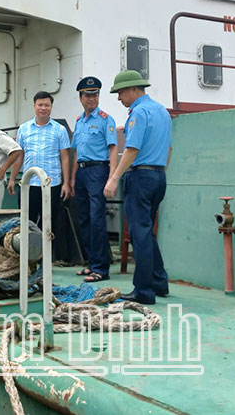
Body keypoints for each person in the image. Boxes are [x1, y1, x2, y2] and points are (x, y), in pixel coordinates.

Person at [103, 70, 171, 305]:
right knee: (147, 232)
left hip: (141, 177)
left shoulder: (138, 113)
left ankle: (143, 290)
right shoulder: (162, 111)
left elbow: (131, 149)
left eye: (121, 92)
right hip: (159, 176)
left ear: (133, 89)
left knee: (139, 235)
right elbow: (169, 148)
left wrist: (113, 179)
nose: (119, 98)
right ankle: (159, 282)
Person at [9, 91, 77, 263]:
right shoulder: (24, 129)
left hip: (52, 185)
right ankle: (28, 258)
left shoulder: (59, 130)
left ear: (51, 107)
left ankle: (49, 259)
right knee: (27, 222)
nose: (43, 108)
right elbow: (19, 156)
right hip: (29, 185)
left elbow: (65, 157)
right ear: (34, 106)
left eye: (47, 105)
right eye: (40, 105)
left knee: (52, 223)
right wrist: (12, 178)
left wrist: (66, 183)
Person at [71, 76, 118, 282]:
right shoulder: (79, 121)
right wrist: (72, 178)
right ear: (81, 98)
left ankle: (101, 268)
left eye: (95, 95)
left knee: (97, 218)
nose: (92, 99)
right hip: (81, 172)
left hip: (98, 171)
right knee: (84, 219)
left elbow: (113, 148)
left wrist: (112, 177)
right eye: (88, 95)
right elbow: (76, 153)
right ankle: (92, 263)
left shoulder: (106, 119)